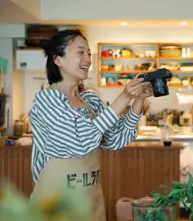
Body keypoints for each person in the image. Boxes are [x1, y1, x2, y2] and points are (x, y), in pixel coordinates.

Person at [28, 29, 153, 221]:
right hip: (55, 209)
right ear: (58, 60)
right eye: (80, 52)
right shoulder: (46, 100)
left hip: (91, 206)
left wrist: (138, 101)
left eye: (88, 53)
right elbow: (80, 142)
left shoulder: (90, 100)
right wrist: (125, 96)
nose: (87, 58)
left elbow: (116, 140)